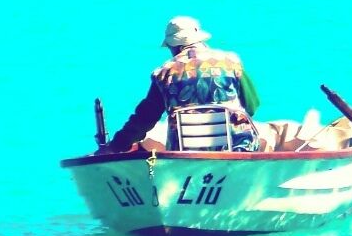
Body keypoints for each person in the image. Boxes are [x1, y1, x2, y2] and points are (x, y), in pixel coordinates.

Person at [97, 16, 264, 153]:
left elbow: (145, 118)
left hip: (187, 153)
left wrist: (116, 145)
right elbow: (252, 105)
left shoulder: (163, 73)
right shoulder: (231, 62)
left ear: (172, 46)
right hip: (238, 147)